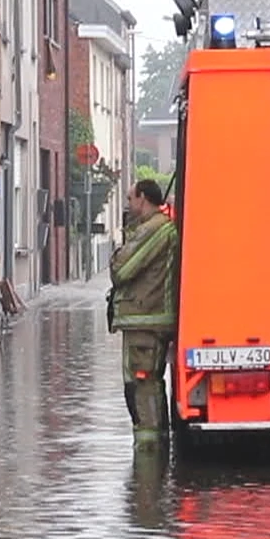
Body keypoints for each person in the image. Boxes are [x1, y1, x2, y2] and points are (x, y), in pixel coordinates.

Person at [109, 178, 178, 444]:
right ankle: (155, 451)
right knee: (147, 384)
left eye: (130, 198)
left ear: (143, 198)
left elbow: (121, 270)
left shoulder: (154, 229)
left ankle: (148, 463)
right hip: (146, 319)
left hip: (145, 321)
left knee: (141, 386)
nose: (128, 204)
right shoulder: (154, 228)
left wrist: (118, 253)